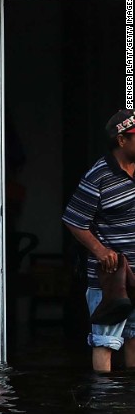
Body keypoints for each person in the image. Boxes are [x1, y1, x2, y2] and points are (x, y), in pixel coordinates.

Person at [63, 109, 135, 372]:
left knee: (134, 337)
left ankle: (126, 405)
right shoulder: (99, 175)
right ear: (122, 140)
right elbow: (73, 219)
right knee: (105, 341)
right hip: (111, 276)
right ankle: (103, 407)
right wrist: (100, 250)